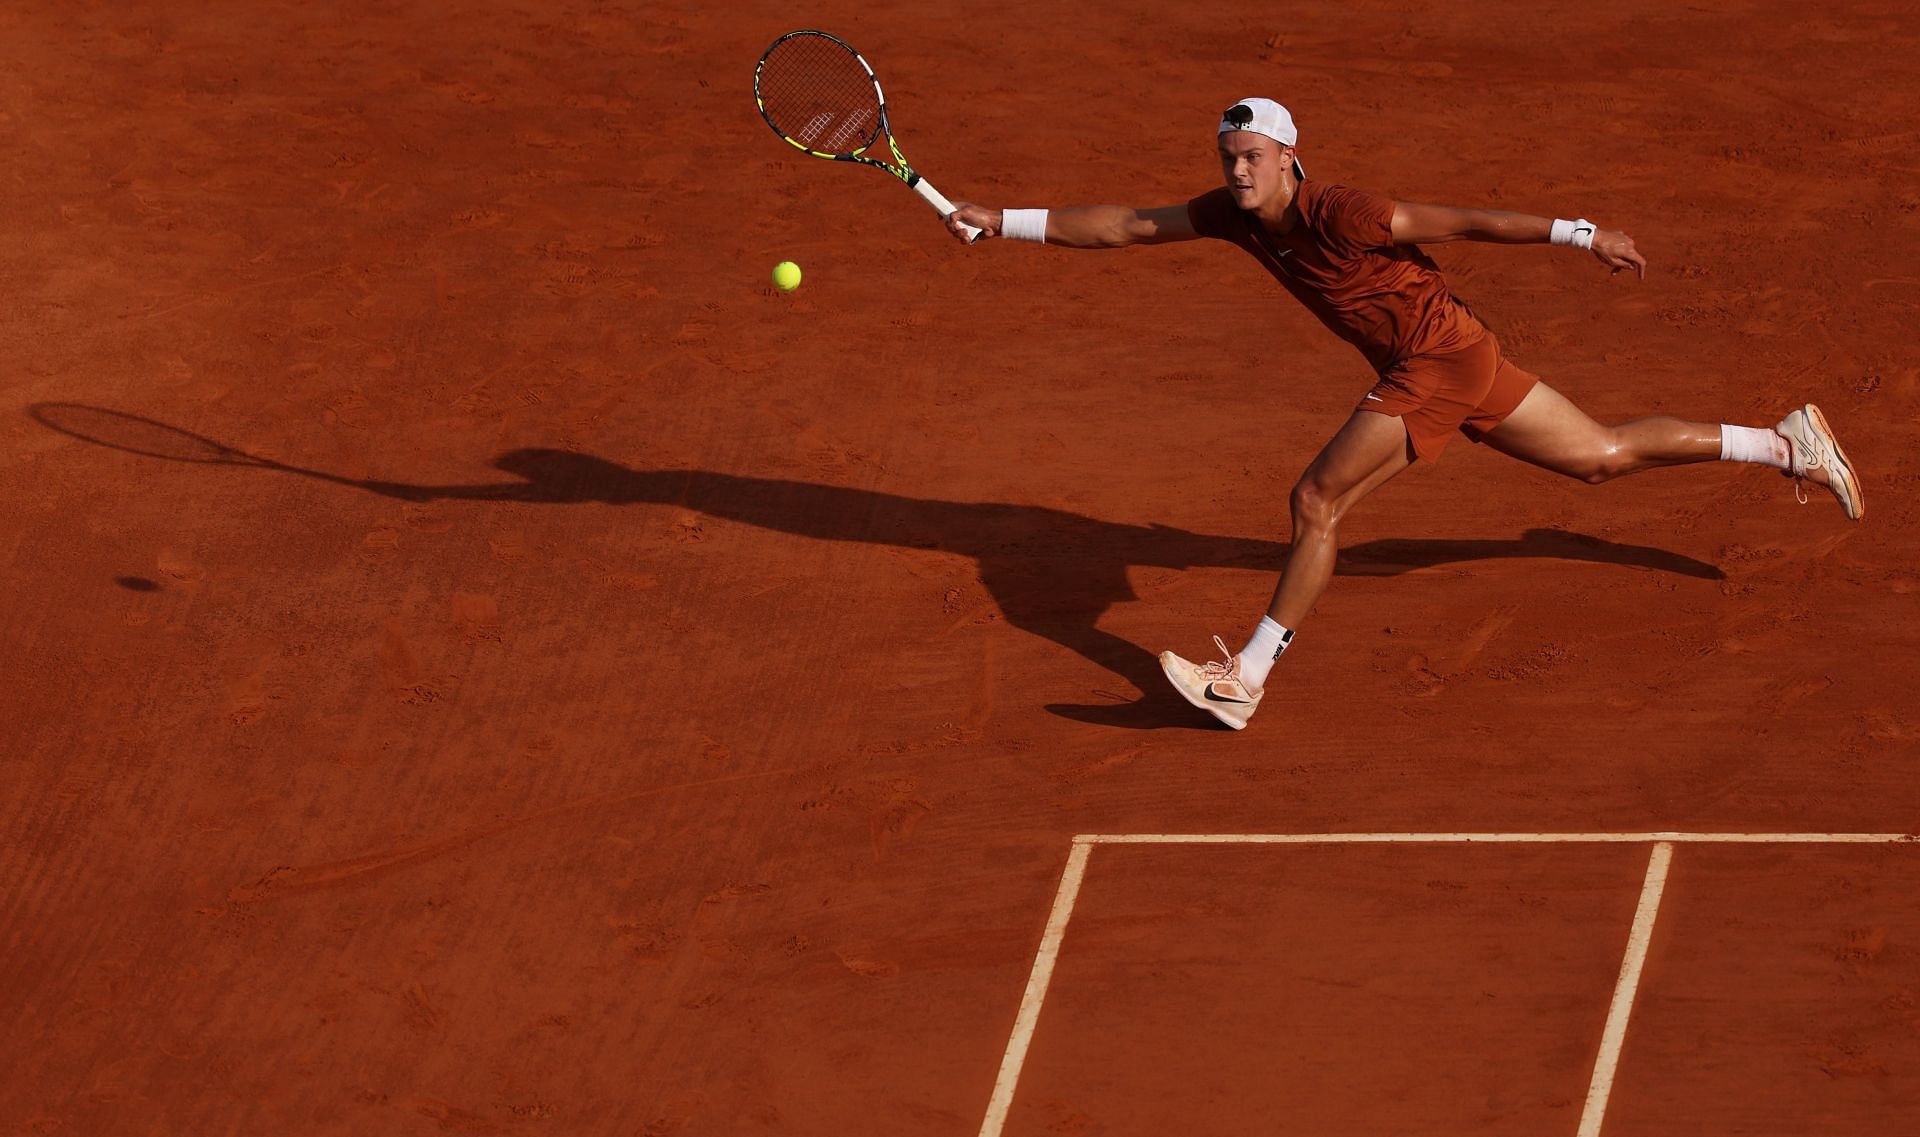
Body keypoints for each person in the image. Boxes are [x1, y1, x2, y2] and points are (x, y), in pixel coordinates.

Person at [945, 97, 1863, 731]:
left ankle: (1246, 678)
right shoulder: (1233, 215)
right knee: (1600, 455)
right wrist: (1000, 218)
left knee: (1317, 501)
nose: (1238, 173)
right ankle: (1780, 443)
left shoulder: (1340, 209)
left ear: (1289, 158)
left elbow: (1458, 221)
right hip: (1459, 352)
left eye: (1253, 159)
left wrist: (1581, 234)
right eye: (1228, 160)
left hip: (1435, 359)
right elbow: (1124, 225)